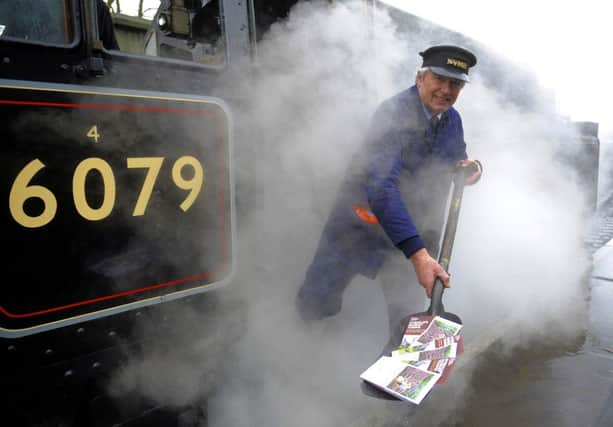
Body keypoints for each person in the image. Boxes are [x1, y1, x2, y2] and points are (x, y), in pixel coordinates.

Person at [295, 45, 483, 333]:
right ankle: (304, 335)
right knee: (319, 295)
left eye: (455, 84)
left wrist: (470, 167)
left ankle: (394, 360)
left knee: (405, 309)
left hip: (415, 226)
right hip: (361, 224)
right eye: (439, 80)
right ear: (420, 78)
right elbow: (382, 187)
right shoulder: (393, 113)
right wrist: (418, 254)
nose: (446, 90)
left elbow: (455, 156)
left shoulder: (451, 119)